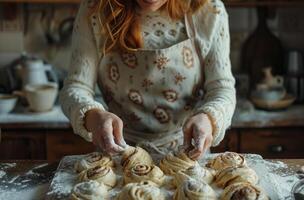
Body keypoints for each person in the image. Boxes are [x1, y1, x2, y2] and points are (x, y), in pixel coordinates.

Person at [59, 0, 236, 160]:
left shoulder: (209, 11)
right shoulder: (95, 11)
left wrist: (208, 118)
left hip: (187, 154)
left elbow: (222, 90)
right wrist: (93, 116)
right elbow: (75, 87)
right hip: (117, 154)